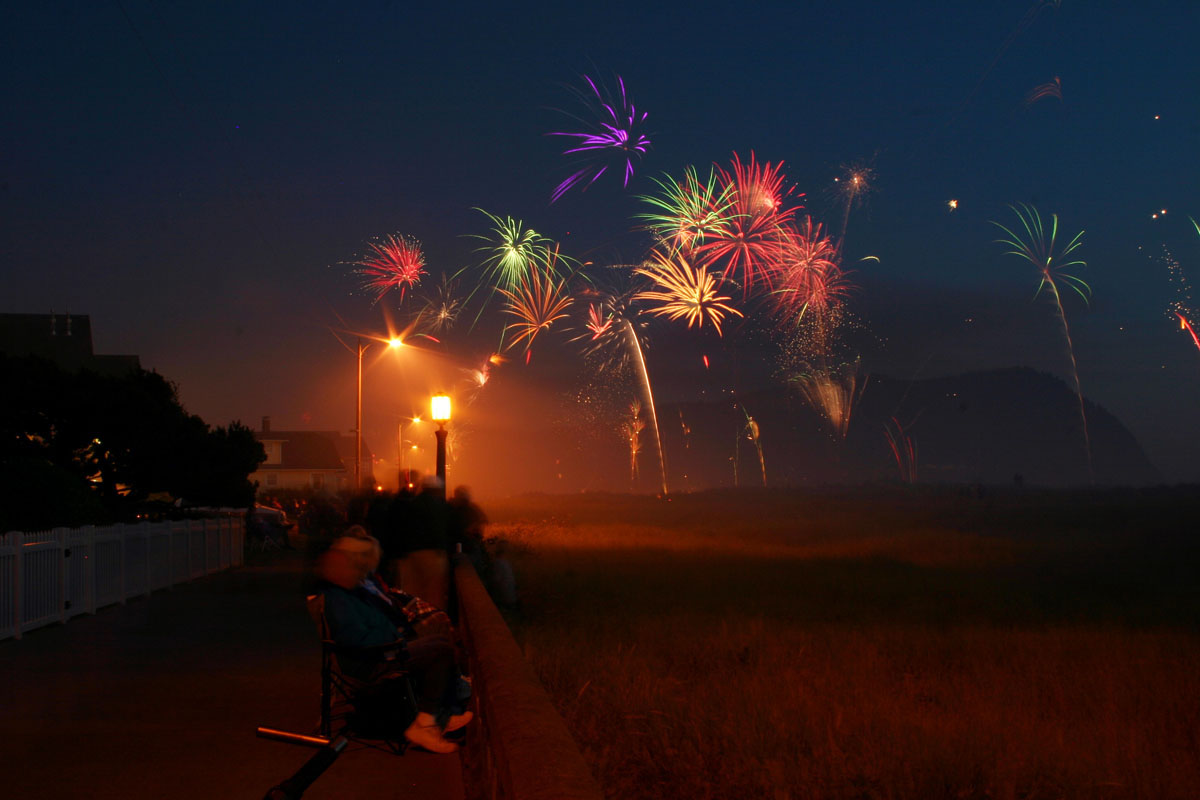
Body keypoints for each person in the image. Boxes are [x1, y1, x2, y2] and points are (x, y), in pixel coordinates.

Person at [315, 534, 472, 754]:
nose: (359, 570)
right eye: (353, 566)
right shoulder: (340, 600)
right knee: (440, 650)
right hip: (374, 659)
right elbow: (356, 640)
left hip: (383, 651)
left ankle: (441, 716)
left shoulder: (349, 593)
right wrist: (395, 639)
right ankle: (427, 723)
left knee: (439, 642)